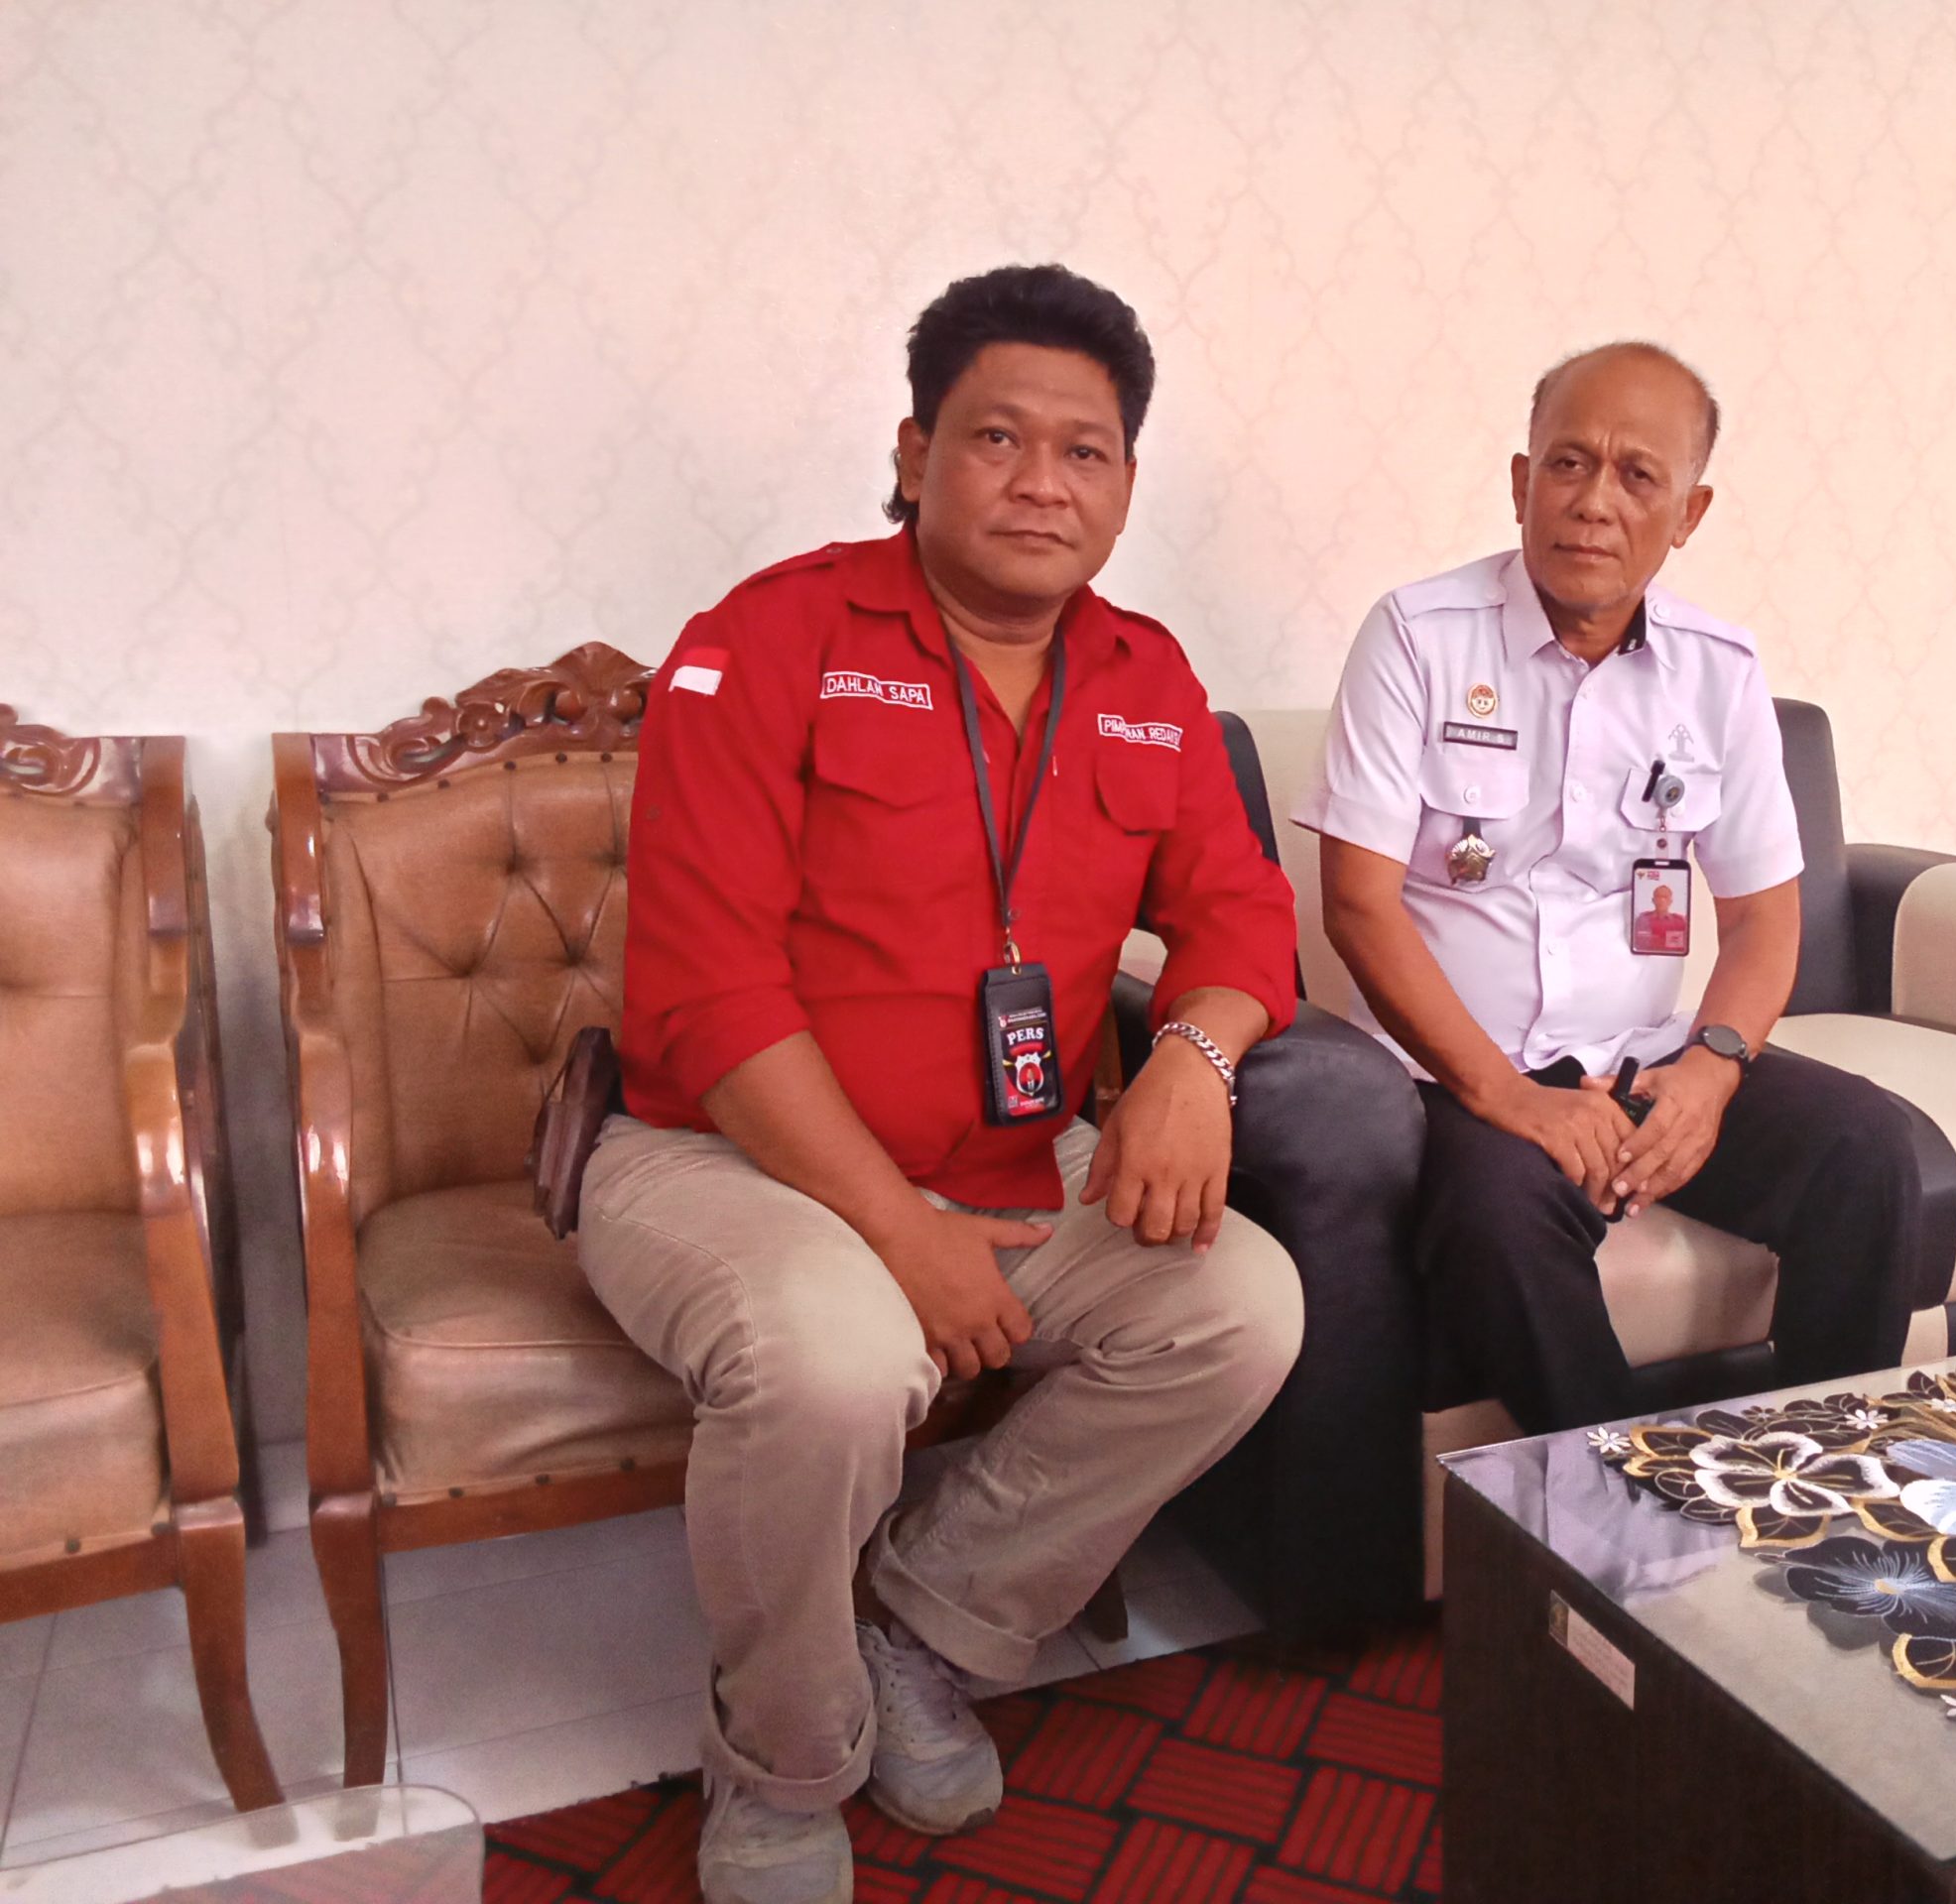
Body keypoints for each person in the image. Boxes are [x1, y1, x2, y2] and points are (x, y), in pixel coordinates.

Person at [581, 264, 1305, 1904]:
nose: (1043, 482)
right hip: (723, 1161)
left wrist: (1194, 1057)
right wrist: (901, 1236)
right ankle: (781, 1762)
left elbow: (1242, 914)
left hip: (1009, 1162)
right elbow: (708, 993)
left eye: (1086, 451)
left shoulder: (1143, 676)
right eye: (996, 438)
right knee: (837, 1361)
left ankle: (919, 1625)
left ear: (1126, 483)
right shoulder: (766, 640)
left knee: (1239, 1308)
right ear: (914, 455)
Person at [1296, 340, 1908, 1435]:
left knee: (1866, 1149)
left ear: (1688, 513)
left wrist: (1710, 1072)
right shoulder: (1417, 638)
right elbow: (1358, 904)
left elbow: (1764, 918)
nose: (1593, 502)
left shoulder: (1718, 670)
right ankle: (1623, 1514)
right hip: (1457, 1073)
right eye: (1568, 464)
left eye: (1637, 476)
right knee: (1496, 1219)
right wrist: (1505, 1095)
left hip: (1644, 1055)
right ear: (1520, 482)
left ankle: (1822, 1466)